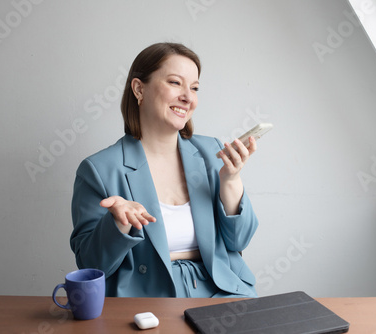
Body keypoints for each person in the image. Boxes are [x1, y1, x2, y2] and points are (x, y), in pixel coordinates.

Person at [70, 42, 259, 298]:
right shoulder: (98, 169)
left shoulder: (211, 152)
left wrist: (231, 181)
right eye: (174, 82)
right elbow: (91, 266)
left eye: (194, 88)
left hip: (222, 292)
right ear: (139, 89)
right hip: (147, 299)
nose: (188, 97)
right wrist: (118, 223)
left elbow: (239, 242)